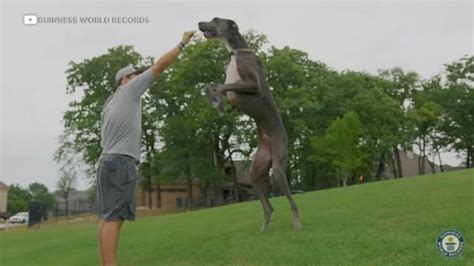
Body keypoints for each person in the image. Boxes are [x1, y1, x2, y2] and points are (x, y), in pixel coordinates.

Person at [97, 31, 195, 266]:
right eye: (134, 75)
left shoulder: (108, 105)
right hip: (121, 162)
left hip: (106, 162)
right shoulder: (129, 91)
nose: (139, 76)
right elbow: (160, 66)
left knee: (107, 218)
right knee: (114, 219)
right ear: (125, 80)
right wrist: (182, 43)